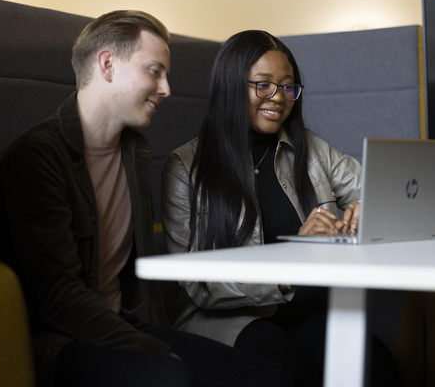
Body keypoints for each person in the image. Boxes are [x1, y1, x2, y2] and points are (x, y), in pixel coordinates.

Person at [0, 12, 292, 387]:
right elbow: (58, 301)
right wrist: (157, 349)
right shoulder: (38, 158)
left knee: (265, 376)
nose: (166, 89)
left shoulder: (134, 153)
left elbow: (137, 284)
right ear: (108, 64)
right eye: (154, 71)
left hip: (122, 324)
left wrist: (159, 339)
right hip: (59, 340)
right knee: (171, 375)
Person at [161, 29, 403, 387]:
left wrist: (366, 208)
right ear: (231, 86)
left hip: (300, 306)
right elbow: (201, 284)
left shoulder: (310, 149)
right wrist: (291, 264)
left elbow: (382, 192)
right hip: (228, 316)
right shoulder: (186, 166)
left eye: (288, 87)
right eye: (263, 85)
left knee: (376, 368)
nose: (278, 97)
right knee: (289, 371)